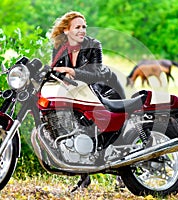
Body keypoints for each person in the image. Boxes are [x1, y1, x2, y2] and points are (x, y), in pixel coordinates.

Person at [49, 11, 125, 191]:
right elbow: (55, 71)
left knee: (113, 135)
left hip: (105, 90)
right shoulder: (60, 48)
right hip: (79, 92)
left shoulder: (93, 45)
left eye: (84, 27)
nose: (82, 30)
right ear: (66, 30)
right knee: (77, 129)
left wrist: (73, 71)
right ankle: (84, 178)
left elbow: (97, 74)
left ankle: (123, 175)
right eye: (78, 27)